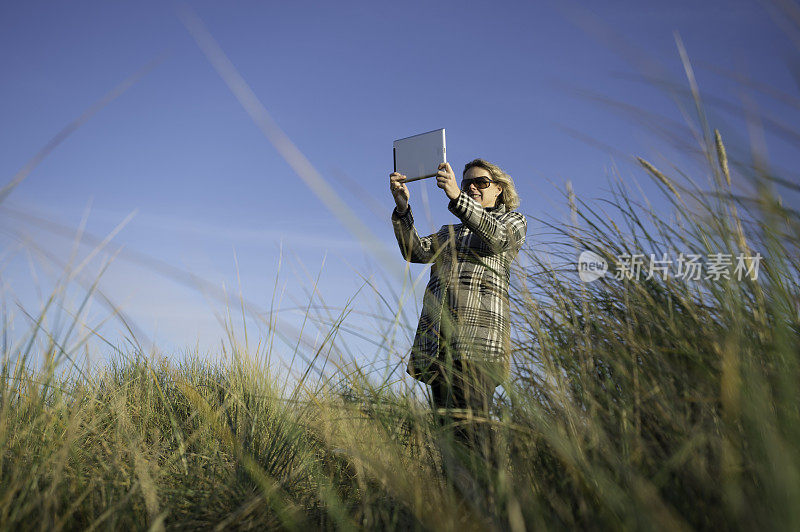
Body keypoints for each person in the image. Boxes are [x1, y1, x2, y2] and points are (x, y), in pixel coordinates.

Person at [389, 159, 527, 461]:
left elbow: (497, 239)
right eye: (467, 184)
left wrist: (456, 197)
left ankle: (489, 505)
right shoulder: (449, 231)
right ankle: (459, 506)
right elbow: (416, 252)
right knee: (448, 442)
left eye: (481, 182)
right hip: (439, 346)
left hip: (478, 346)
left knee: (473, 438)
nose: (473, 187)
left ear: (499, 189)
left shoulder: (513, 222)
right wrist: (403, 210)